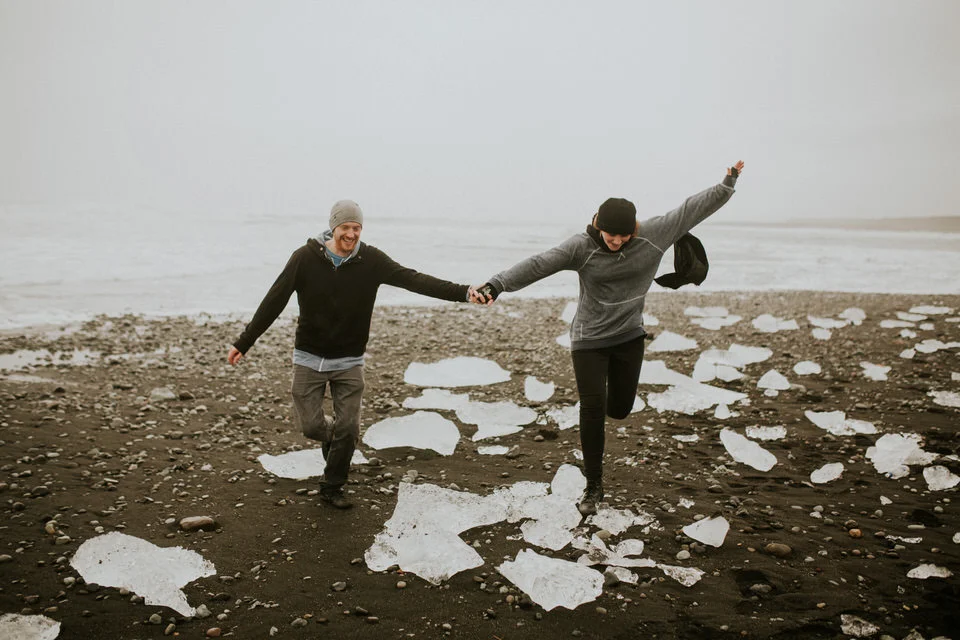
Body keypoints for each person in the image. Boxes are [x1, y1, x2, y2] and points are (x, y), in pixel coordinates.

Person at [475, 161, 745, 515]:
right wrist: (496, 285)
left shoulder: (654, 234)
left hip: (628, 336)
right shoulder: (580, 247)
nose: (616, 241)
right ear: (597, 225)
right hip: (588, 339)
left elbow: (692, 209)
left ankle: (601, 405)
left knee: (619, 409)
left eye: (623, 235)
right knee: (592, 408)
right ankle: (594, 486)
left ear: (634, 229)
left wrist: (727, 182)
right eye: (610, 235)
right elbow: (539, 263)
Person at [227, 200, 483, 509]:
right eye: (346, 227)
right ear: (333, 227)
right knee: (312, 427)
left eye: (357, 228)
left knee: (349, 428)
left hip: (349, 360)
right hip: (309, 357)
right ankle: (335, 441)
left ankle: (333, 486)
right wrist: (244, 341)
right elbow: (274, 299)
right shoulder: (304, 258)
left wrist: (464, 292)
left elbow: (414, 279)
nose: (351, 234)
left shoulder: (371, 260)